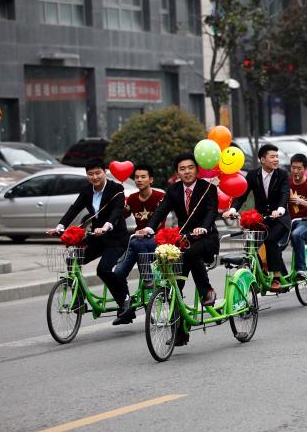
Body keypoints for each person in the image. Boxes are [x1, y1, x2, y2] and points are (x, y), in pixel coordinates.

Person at [137, 154, 219, 344]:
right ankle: (180, 333)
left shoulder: (208, 188)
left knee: (191, 252)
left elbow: (211, 211)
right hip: (183, 239)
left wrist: (204, 227)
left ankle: (206, 290)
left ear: (197, 170)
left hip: (207, 238)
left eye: (190, 167)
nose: (187, 172)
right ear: (177, 172)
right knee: (174, 285)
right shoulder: (173, 190)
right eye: (182, 169)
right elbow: (161, 210)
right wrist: (149, 228)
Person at [48, 161, 130, 323]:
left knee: (104, 270)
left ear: (105, 172)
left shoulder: (116, 189)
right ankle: (78, 300)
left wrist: (106, 226)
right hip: (96, 238)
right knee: (73, 259)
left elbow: (117, 211)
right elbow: (74, 209)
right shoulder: (86, 191)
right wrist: (60, 227)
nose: (94, 177)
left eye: (98, 173)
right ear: (87, 175)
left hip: (116, 239)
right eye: (90, 174)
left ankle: (125, 302)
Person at [224, 143, 292, 291]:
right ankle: (258, 274)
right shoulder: (253, 174)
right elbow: (242, 194)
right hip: (262, 219)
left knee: (270, 240)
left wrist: (280, 209)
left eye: (277, 156)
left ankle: (276, 277)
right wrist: (233, 209)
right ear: (262, 159)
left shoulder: (282, 174)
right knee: (252, 244)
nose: (276, 160)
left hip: (280, 218)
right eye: (272, 157)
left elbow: (284, 193)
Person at [112, 165, 164, 323]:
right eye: (137, 177)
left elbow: (165, 213)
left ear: (151, 179)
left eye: (143, 177)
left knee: (139, 242)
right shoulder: (133, 198)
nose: (140, 180)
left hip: (156, 240)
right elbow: (121, 214)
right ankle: (126, 306)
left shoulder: (160, 196)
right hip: (137, 241)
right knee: (118, 273)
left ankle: (147, 276)